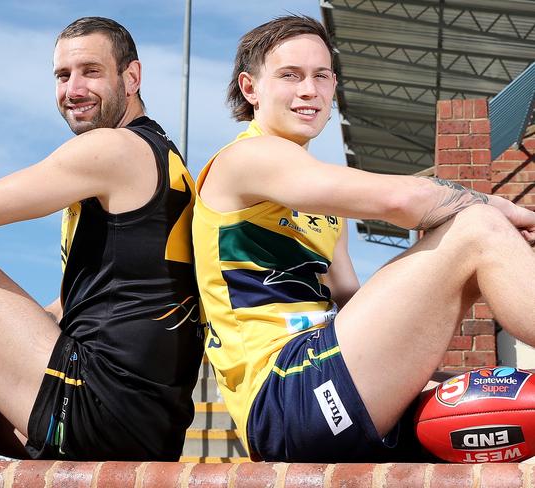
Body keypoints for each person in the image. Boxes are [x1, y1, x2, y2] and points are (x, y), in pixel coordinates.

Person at [192, 14, 535, 463]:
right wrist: (511, 212)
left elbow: (354, 301)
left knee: (495, 413)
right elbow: (401, 200)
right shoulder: (245, 157)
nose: (308, 91)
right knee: (476, 228)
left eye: (321, 76)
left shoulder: (319, 206)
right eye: (289, 75)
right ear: (250, 88)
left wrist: (418, 378)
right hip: (283, 394)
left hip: (326, 380)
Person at [0, 17, 203, 461]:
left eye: (91, 71)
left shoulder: (114, 148)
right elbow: (70, 308)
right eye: (62, 75)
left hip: (97, 402)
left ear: (131, 77)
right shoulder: (162, 158)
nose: (73, 89)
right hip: (137, 423)